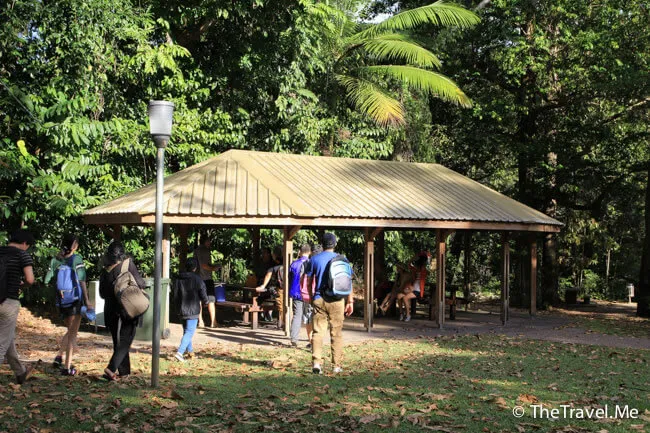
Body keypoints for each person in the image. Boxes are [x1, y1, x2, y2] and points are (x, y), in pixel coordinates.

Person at [44, 234, 92, 376]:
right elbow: (82, 280)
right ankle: (67, 368)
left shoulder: (55, 260)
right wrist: (87, 301)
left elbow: (46, 280)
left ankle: (59, 356)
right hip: (74, 299)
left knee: (70, 330)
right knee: (72, 334)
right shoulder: (76, 259)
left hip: (61, 300)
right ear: (75, 245)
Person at [99, 241, 146, 381]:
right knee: (126, 341)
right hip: (128, 307)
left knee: (117, 341)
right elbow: (140, 283)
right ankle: (111, 368)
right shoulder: (127, 265)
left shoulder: (105, 270)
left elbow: (102, 293)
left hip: (110, 310)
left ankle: (124, 372)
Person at [307, 233, 353, 374]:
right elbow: (348, 281)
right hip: (337, 300)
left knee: (318, 332)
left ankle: (316, 363)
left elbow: (308, 282)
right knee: (336, 333)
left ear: (322, 244)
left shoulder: (314, 259)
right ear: (335, 244)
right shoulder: (342, 259)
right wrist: (350, 301)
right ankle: (336, 366)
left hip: (319, 298)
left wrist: (312, 297)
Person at [0, 229, 36, 384]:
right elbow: (30, 279)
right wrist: (22, 285)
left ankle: (20, 372)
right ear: (24, 243)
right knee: (2, 343)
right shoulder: (22, 255)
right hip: (9, 302)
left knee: (7, 338)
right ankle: (20, 372)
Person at [172, 258, 209, 362]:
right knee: (189, 332)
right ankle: (180, 353)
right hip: (193, 309)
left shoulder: (178, 279)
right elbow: (203, 292)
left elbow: (175, 294)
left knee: (186, 331)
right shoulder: (197, 279)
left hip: (181, 308)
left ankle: (190, 352)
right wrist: (206, 301)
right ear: (195, 268)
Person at [193, 235, 221, 328]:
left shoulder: (196, 250)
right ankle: (213, 322)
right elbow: (204, 265)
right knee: (211, 299)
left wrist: (213, 266)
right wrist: (214, 268)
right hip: (206, 279)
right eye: (209, 241)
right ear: (205, 241)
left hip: (197, 278)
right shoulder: (204, 251)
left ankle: (200, 321)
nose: (210, 243)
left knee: (199, 300)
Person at [255, 246, 284, 328]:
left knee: (280, 305)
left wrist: (263, 285)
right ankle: (281, 321)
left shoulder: (275, 264)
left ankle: (282, 322)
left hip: (277, 288)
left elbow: (269, 273)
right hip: (279, 287)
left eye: (265, 253)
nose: (263, 255)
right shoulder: (263, 263)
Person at [289, 244, 311, 347]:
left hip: (296, 293)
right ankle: (311, 338)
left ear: (300, 251)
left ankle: (294, 338)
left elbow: (290, 278)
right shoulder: (311, 263)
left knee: (297, 315)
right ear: (310, 252)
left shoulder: (294, 264)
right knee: (309, 316)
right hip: (308, 293)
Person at [396, 253, 429, 322]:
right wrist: (413, 258)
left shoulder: (424, 271)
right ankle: (401, 313)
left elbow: (423, 268)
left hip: (418, 291)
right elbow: (409, 264)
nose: (416, 266)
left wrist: (422, 258)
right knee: (399, 296)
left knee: (405, 298)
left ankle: (408, 315)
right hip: (412, 289)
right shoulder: (415, 270)